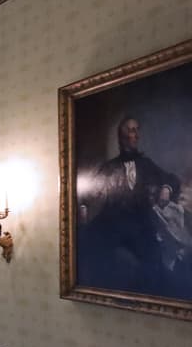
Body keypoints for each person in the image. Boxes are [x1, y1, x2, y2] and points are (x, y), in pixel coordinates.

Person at [78, 116, 183, 293]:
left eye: (137, 130)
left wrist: (166, 188)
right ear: (122, 136)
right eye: (131, 130)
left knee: (154, 259)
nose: (136, 135)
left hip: (140, 222)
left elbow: (171, 179)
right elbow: (89, 189)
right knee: (85, 241)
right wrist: (83, 206)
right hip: (111, 221)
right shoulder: (110, 166)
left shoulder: (146, 164)